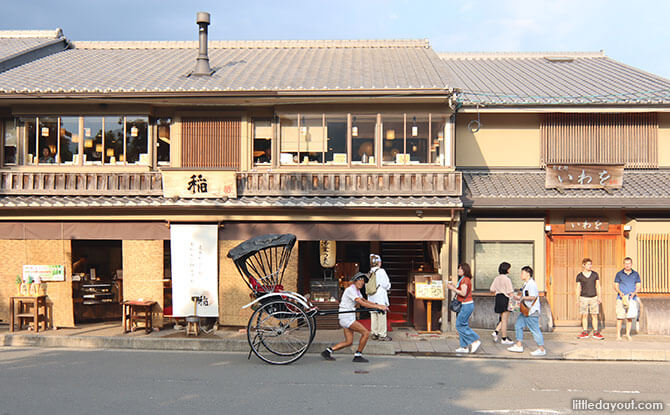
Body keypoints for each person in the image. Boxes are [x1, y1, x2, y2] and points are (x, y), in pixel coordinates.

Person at [321, 272, 388, 362]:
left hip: (348, 316)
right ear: (355, 281)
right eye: (360, 280)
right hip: (346, 317)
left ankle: (328, 351)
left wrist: (378, 305)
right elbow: (362, 303)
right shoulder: (350, 290)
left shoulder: (357, 291)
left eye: (363, 281)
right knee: (366, 333)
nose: (362, 282)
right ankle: (358, 355)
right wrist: (378, 307)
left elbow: (364, 300)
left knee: (349, 342)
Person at [507, 266, 546, 356]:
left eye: (522, 273)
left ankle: (541, 349)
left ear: (528, 274)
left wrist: (521, 298)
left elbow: (532, 297)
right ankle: (519, 345)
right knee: (518, 325)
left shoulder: (531, 284)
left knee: (535, 330)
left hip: (531, 311)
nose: (521, 275)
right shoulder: (527, 283)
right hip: (526, 311)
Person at [447, 263, 481, 353]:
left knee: (459, 324)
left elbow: (463, 293)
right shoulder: (464, 279)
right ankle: (464, 346)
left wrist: (452, 288)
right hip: (466, 304)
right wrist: (454, 287)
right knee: (463, 324)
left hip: (466, 305)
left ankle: (475, 341)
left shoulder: (465, 280)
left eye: (460, 269)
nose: (458, 270)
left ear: (464, 270)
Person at [614, 257, 641, 341]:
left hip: (632, 298)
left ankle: (627, 334)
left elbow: (638, 286)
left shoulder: (636, 274)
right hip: (621, 298)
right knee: (620, 317)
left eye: (629, 263)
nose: (627, 265)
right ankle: (618, 335)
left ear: (631, 264)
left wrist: (634, 293)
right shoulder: (619, 274)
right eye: (625, 263)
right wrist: (619, 292)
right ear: (624, 264)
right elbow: (615, 285)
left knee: (629, 317)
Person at [576, 258, 604, 340]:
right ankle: (585, 332)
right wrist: (577, 299)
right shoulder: (579, 276)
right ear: (583, 265)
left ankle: (596, 332)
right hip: (583, 297)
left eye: (590, 264)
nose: (590, 266)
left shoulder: (595, 274)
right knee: (584, 315)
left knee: (594, 314)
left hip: (593, 297)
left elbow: (598, 286)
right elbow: (578, 288)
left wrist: (599, 297)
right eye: (588, 264)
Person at [367, 254, 392, 341]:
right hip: (380, 296)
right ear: (378, 262)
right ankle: (382, 334)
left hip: (371, 296)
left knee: (373, 314)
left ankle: (374, 333)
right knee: (381, 314)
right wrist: (389, 287)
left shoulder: (370, 272)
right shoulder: (381, 271)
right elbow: (386, 284)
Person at [490, 262, 515, 345]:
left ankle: (496, 331)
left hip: (498, 298)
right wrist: (515, 299)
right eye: (509, 268)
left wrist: (498, 290)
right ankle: (504, 338)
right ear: (506, 269)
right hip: (505, 299)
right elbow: (510, 292)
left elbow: (492, 289)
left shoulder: (496, 278)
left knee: (502, 318)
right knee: (504, 320)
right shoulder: (507, 279)